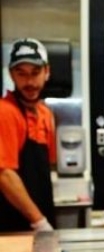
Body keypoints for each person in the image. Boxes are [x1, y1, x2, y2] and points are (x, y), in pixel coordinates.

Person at [0, 38, 56, 232]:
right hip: (12, 226)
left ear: (47, 72)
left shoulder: (46, 113)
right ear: (11, 75)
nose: (30, 82)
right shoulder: (5, 112)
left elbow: (47, 168)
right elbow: (4, 174)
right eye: (21, 73)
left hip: (41, 220)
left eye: (35, 72)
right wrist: (39, 222)